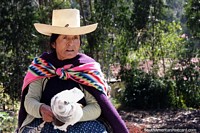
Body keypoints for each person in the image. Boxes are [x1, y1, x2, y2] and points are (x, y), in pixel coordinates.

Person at [16, 9, 129, 133]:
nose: (71, 43)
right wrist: (41, 109)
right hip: (45, 123)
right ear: (54, 43)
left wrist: (71, 115)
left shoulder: (87, 68)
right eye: (65, 38)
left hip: (81, 125)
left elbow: (96, 107)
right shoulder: (42, 66)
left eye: (75, 38)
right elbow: (30, 100)